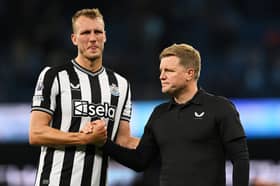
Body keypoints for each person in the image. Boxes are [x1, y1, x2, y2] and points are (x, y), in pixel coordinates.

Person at [98, 43, 250, 186]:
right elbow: (139, 161)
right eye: (161, 71)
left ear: (189, 74)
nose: (162, 76)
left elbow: (240, 159)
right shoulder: (159, 114)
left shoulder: (220, 107)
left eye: (169, 71)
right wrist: (103, 143)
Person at [29, 8, 139, 186]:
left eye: (98, 32)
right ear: (74, 39)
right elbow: (36, 133)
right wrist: (83, 139)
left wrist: (164, 141)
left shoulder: (121, 85)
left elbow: (123, 141)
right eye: (86, 32)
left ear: (105, 36)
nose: (93, 38)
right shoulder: (53, 76)